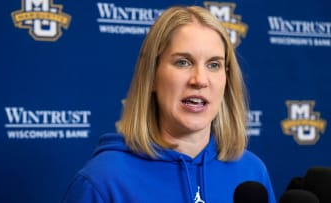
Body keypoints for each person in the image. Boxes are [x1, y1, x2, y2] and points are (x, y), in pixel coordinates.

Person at [63, 5, 276, 203]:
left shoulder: (252, 172)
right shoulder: (102, 181)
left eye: (213, 64)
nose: (200, 79)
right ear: (152, 75)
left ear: (226, 78)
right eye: (183, 62)